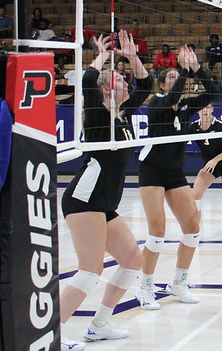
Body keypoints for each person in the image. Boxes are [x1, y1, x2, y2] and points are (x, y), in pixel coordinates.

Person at [58, 31, 152, 350]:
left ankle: (99, 325)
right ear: (107, 88)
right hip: (85, 200)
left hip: (105, 203)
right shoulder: (99, 116)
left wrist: (132, 55)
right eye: (120, 79)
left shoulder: (124, 116)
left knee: (131, 260)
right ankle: (51, 333)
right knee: (90, 270)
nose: (126, 81)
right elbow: (86, 78)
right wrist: (103, 56)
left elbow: (147, 85)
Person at [135, 46, 217, 310]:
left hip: (174, 172)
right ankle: (145, 287)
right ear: (161, 84)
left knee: (192, 228)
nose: (175, 81)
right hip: (152, 170)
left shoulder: (184, 106)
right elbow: (174, 94)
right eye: (169, 78)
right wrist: (183, 68)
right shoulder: (157, 102)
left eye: (176, 77)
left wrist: (198, 69)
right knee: (157, 232)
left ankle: (178, 283)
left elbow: (213, 93)